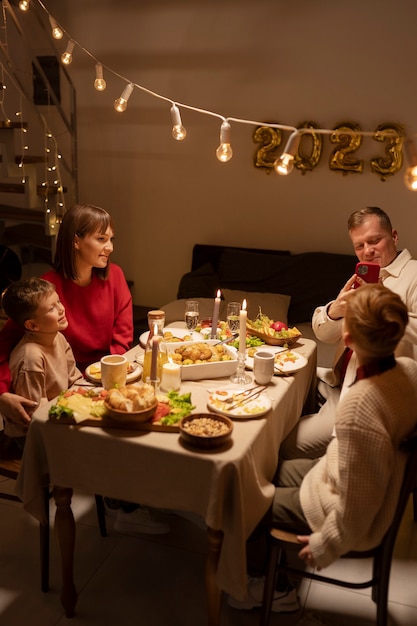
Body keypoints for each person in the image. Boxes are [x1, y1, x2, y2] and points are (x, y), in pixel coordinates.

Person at [229, 284, 417, 612]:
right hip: (338, 474)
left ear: (347, 340)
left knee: (245, 498)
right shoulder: (408, 371)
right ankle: (264, 564)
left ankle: (276, 588)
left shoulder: (361, 402)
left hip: (345, 506)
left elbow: (360, 500)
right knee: (260, 467)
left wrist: (326, 542)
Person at [0, 203, 168, 534]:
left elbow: (122, 338)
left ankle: (137, 494)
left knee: (150, 410)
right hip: (65, 387)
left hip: (102, 376)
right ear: (76, 241)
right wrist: (2, 393)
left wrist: (110, 376)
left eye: (111, 239)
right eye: (102, 239)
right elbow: (4, 347)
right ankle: (123, 502)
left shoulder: (115, 277)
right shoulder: (46, 291)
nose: (110, 247)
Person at [280, 206, 417, 459]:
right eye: (359, 246)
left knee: (286, 446)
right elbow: (323, 334)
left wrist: (377, 305)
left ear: (394, 236)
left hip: (366, 396)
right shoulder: (365, 277)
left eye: (375, 240)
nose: (367, 251)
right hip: (336, 380)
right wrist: (336, 309)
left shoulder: (413, 276)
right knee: (287, 381)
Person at [1, 277, 83, 446]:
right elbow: (36, 416)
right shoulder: (31, 357)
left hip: (57, 419)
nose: (61, 309)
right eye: (51, 308)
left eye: (58, 301)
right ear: (32, 325)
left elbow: (75, 379)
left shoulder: (58, 337)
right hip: (33, 438)